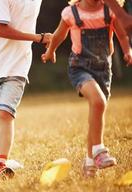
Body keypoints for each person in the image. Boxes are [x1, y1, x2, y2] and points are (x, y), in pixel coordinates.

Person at [41, 0, 132, 177]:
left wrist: (128, 50)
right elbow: (60, 35)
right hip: (80, 68)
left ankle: (90, 163)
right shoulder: (71, 13)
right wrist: (51, 50)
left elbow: (121, 35)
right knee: (98, 102)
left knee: (97, 110)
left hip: (104, 69)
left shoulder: (110, 11)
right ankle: (99, 150)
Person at [0, 0, 52, 179]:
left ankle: (1, 163)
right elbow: (1, 30)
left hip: (18, 66)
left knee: (5, 113)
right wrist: (39, 38)